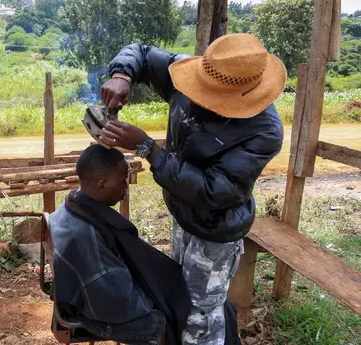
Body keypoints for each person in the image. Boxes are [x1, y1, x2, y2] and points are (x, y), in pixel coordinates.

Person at [98, 33, 285, 344]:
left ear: (240, 97)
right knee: (183, 295)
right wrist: (122, 76)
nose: (197, 98)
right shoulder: (196, 72)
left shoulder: (263, 131)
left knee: (201, 314)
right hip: (183, 212)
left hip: (214, 230)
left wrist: (147, 149)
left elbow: (214, 192)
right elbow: (142, 53)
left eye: (211, 98)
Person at [49, 145, 194, 345]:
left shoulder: (74, 203)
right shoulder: (86, 237)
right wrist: (153, 300)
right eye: (122, 181)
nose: (126, 188)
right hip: (91, 311)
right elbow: (117, 304)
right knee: (166, 320)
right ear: (101, 185)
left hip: (82, 294)